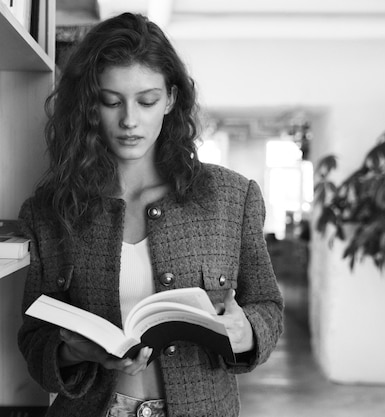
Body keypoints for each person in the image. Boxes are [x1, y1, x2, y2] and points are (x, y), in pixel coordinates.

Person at [17, 12, 283, 417]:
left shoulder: (232, 197)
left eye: (147, 100)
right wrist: (70, 350)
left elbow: (266, 304)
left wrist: (246, 330)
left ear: (171, 99)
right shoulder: (51, 210)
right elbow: (34, 338)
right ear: (90, 105)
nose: (129, 120)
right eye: (111, 101)